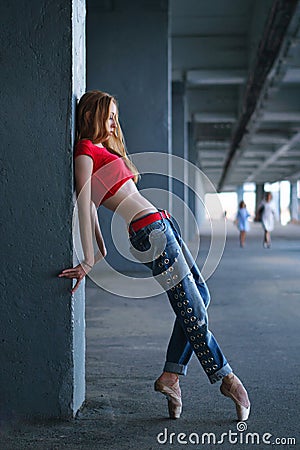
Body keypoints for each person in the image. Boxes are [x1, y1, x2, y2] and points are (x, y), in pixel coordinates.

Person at [58, 90, 250, 421]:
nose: (115, 121)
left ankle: (171, 377)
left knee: (200, 296)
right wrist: (90, 258)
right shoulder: (85, 151)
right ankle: (226, 378)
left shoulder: (104, 149)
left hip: (164, 224)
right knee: (190, 305)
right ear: (91, 115)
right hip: (151, 232)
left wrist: (101, 251)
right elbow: (85, 203)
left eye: (116, 114)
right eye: (109, 114)